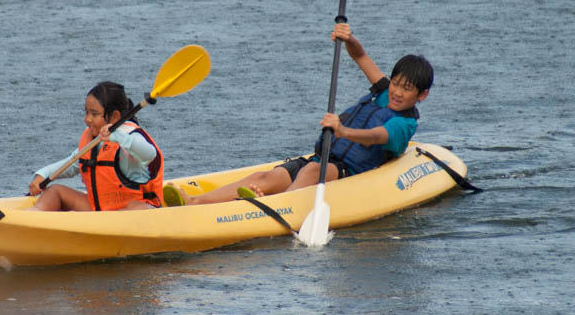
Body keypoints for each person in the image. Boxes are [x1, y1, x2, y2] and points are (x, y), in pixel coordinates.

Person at [163, 22, 432, 206]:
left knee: (313, 169)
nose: (396, 92)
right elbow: (360, 56)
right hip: (321, 159)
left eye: (406, 89)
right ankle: (194, 201)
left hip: (349, 173)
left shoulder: (404, 124)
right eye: (396, 83)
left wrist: (343, 131)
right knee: (268, 177)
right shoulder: (384, 91)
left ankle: (271, 206)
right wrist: (348, 38)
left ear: (421, 95)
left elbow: (376, 136)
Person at [28, 81, 164, 211]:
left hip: (135, 211)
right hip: (100, 210)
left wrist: (119, 137)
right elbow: (72, 163)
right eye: (86, 112)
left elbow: (150, 154)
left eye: (94, 114)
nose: (88, 119)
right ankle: (32, 216)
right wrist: (43, 174)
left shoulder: (129, 137)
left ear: (115, 116)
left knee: (137, 208)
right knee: (55, 190)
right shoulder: (94, 142)